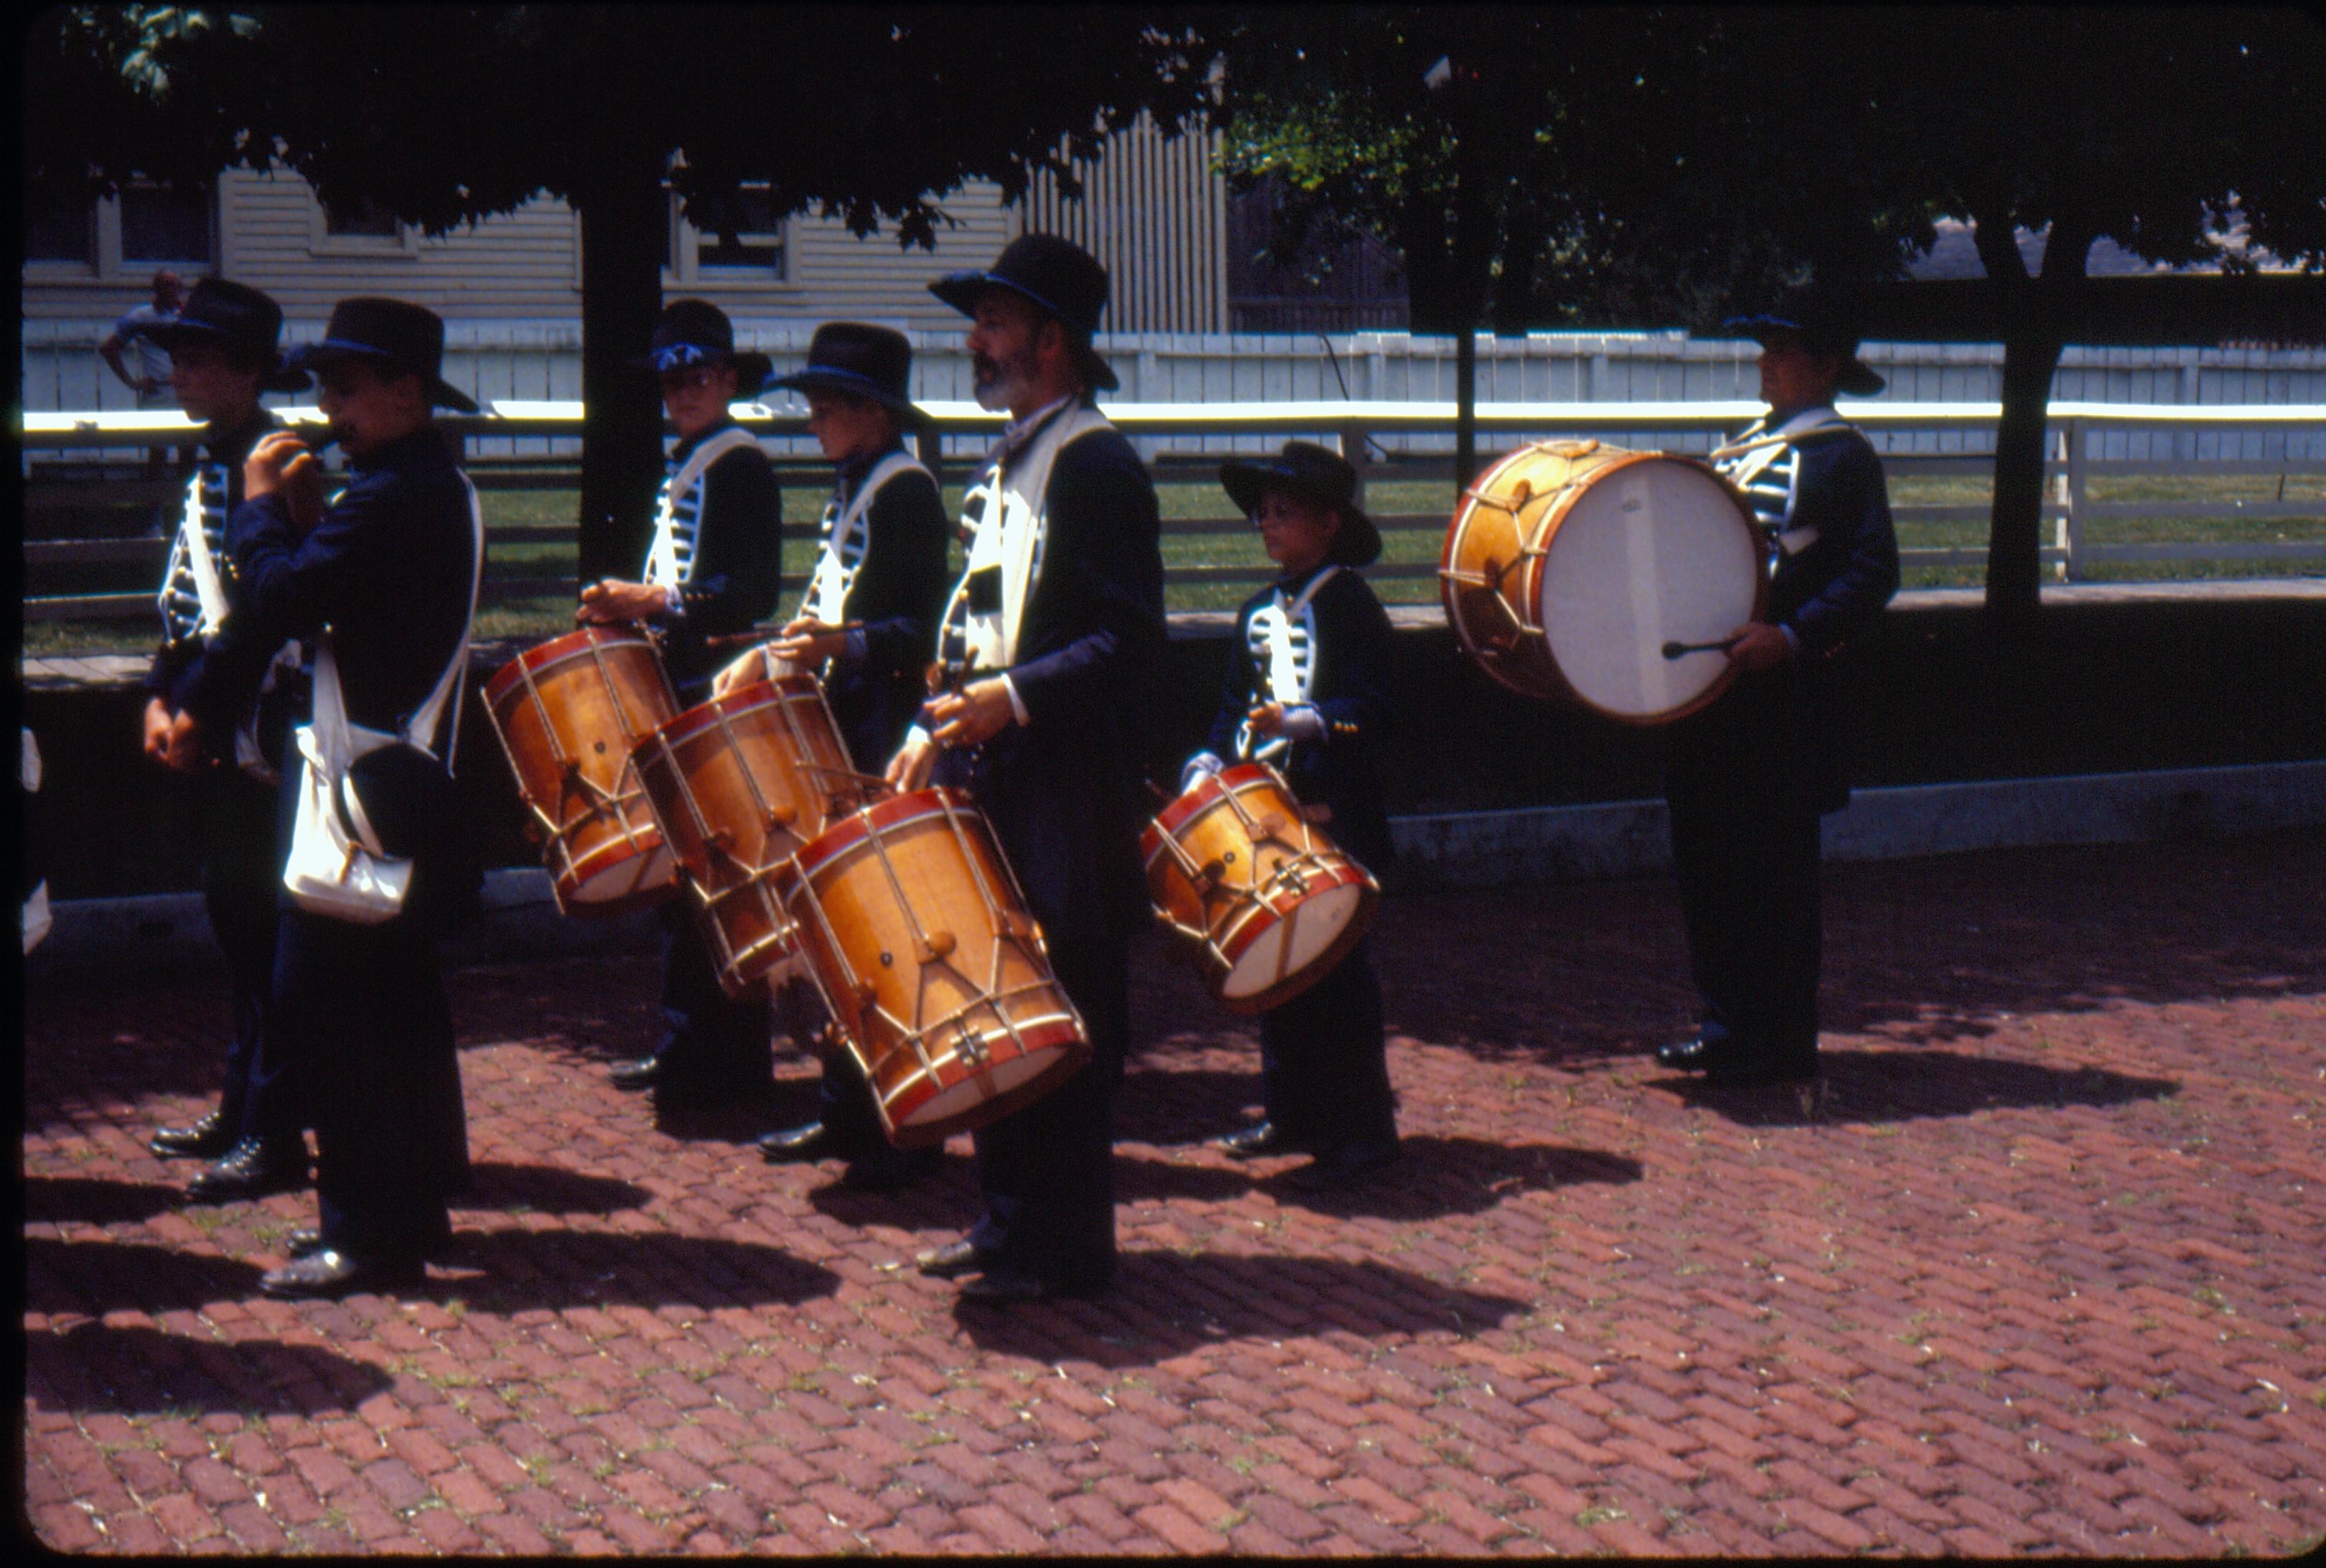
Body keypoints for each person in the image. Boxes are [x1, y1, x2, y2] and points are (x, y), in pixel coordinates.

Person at [886, 233, 1164, 1302]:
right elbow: (989, 624)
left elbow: (1126, 641)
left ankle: (1067, 1247)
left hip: (1063, 792)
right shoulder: (1021, 452)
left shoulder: (1096, 465)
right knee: (997, 1002)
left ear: (1054, 341)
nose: (977, 341)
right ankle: (1008, 1221)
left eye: (996, 323)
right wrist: (942, 721)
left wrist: (1013, 698)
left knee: (1064, 1015)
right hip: (1000, 779)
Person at [205, 296, 485, 1298]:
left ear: (406, 394)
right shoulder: (423, 481)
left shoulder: (390, 493)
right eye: (324, 386)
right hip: (391, 769)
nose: (327, 408)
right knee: (396, 1006)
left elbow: (282, 597)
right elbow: (355, 595)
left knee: (325, 1008)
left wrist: (255, 506)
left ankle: (367, 1232)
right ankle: (410, 1206)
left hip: (357, 775)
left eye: (346, 390)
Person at [1655, 281, 1900, 1088]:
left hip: (1782, 703)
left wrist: (1791, 636)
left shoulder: (1843, 458)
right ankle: (1727, 1026)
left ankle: (1783, 1039)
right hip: (1712, 696)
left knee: (1776, 878)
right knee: (1710, 866)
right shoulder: (1747, 442)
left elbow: (1872, 573)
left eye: (1783, 350)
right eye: (1764, 350)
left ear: (1826, 367)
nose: (1766, 364)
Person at [732, 322, 951, 1191]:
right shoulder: (854, 485)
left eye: (828, 404)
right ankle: (844, 1109)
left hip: (876, 730)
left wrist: (836, 650)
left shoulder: (907, 493)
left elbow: (913, 631)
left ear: (871, 411)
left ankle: (904, 1129)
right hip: (835, 724)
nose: (813, 417)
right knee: (834, 928)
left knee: (879, 930)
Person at [131, 278, 318, 1203]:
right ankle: (243, 1105)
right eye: (180, 356)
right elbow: (186, 601)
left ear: (248, 371)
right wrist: (158, 695)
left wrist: (197, 705)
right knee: (235, 925)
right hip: (216, 711)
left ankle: (274, 1133)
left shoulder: (278, 459)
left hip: (263, 725)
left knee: (265, 934)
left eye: (202, 358)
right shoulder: (215, 454)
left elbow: (256, 617)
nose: (182, 372)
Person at [1179, 441, 1401, 1189]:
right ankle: (1293, 1112)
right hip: (1267, 812)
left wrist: (1305, 723)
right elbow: (1231, 708)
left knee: (1338, 973)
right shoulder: (1254, 612)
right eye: (1263, 515)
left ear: (1329, 524)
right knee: (1277, 963)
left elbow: (1374, 705)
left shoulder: (1350, 604)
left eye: (1285, 514)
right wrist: (1208, 761)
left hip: (1332, 806)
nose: (1268, 526)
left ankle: (1364, 1128)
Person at [584, 300, 785, 1113]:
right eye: (671, 381)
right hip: (671, 682)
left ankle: (732, 1062)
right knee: (680, 889)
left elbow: (748, 592)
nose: (683, 392)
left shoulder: (741, 465)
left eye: (698, 377)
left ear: (730, 380)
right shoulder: (688, 463)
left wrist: (655, 602)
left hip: (712, 681)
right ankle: (685, 1041)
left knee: (721, 880)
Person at [100, 269, 185, 409]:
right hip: (158, 393)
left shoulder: (189, 315)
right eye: (164, 285)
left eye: (173, 285)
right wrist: (132, 383)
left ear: (180, 289)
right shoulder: (140, 317)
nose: (169, 290)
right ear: (156, 289)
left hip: (185, 392)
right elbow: (109, 349)